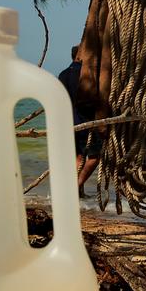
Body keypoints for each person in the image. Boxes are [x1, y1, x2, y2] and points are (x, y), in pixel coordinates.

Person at [57, 46, 99, 196]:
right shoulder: (85, 73)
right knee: (95, 156)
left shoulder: (62, 75)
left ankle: (79, 193)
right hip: (85, 120)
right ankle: (76, 186)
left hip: (68, 121)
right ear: (80, 56)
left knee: (78, 157)